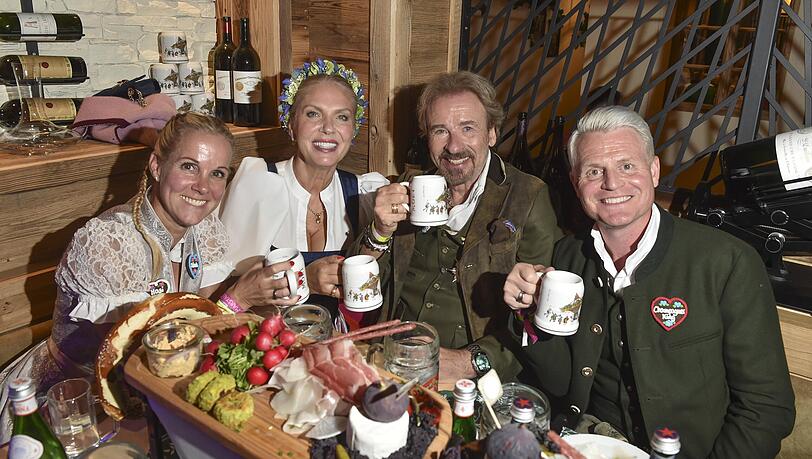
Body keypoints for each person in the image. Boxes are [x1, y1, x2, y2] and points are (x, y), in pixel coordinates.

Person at [503, 106, 795, 458]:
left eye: (627, 166)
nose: (611, 183)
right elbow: (559, 383)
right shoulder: (568, 257)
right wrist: (529, 311)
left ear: (654, 171)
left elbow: (766, 407)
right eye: (595, 171)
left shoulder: (727, 262)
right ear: (575, 182)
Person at [0, 112, 285, 442]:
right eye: (189, 166)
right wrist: (239, 298)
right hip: (68, 404)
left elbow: (203, 305)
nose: (203, 186)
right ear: (156, 166)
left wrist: (262, 293)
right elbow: (149, 357)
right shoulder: (108, 244)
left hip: (150, 397)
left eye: (217, 173)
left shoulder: (205, 230)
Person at [356, 71, 562, 384]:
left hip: (467, 375)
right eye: (441, 130)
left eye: (468, 128)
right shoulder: (408, 187)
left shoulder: (528, 197)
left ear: (492, 133)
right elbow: (363, 286)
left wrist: (471, 362)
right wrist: (378, 231)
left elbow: (540, 316)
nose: (454, 146)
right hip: (390, 357)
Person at [213, 59, 387, 324]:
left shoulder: (361, 192)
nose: (328, 128)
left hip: (330, 342)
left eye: (342, 117)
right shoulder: (258, 183)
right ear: (291, 125)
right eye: (313, 114)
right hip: (263, 342)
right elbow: (222, 293)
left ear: (353, 131)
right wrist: (305, 278)